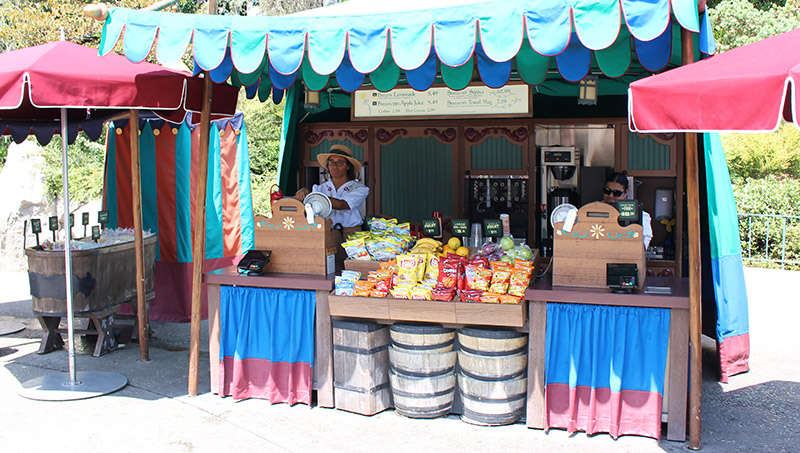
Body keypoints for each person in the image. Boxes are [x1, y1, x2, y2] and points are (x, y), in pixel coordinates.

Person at [294, 144, 369, 231]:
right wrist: (303, 193)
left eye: (340, 162)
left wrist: (311, 196)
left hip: (350, 232)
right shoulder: (319, 188)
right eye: (331, 162)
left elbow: (343, 204)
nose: (335, 165)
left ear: (348, 166)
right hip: (325, 231)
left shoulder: (360, 189)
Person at [603, 171, 652, 249]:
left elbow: (643, 246)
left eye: (617, 193)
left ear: (626, 193)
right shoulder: (592, 210)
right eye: (607, 191)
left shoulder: (642, 216)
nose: (611, 195)